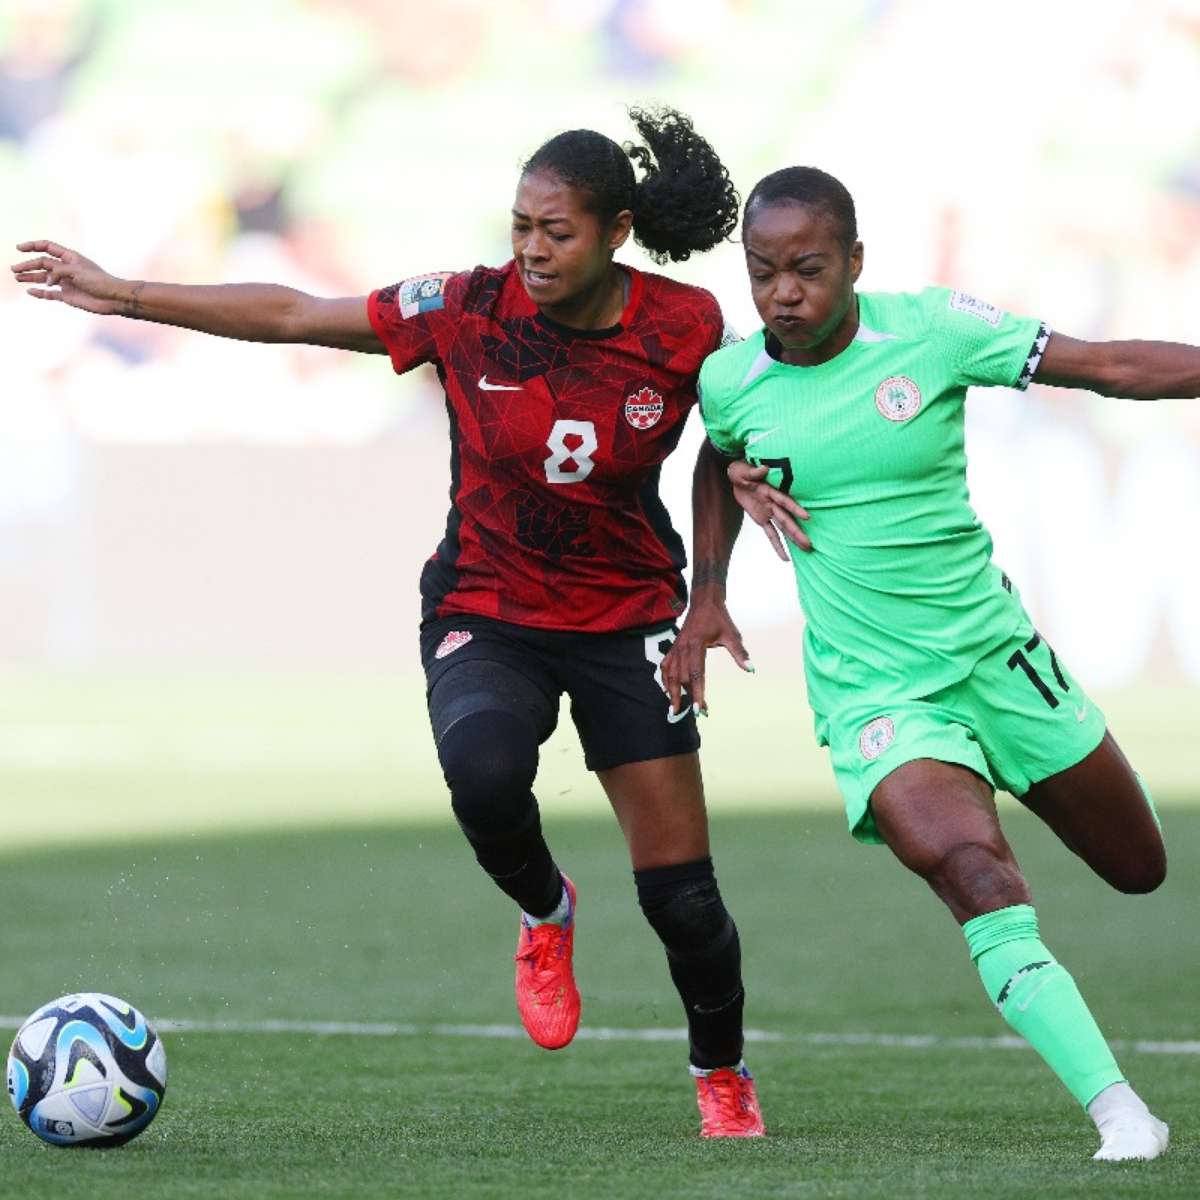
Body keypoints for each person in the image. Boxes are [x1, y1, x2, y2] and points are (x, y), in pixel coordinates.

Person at [11, 109, 767, 1138]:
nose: (534, 252)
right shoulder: (464, 306)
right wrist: (125, 294)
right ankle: (546, 912)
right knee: (485, 774)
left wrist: (709, 595)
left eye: (559, 232)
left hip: (627, 617)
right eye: (522, 227)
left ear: (617, 232)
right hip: (485, 606)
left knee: (683, 900)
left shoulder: (686, 326)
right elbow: (290, 315)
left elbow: (732, 448)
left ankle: (720, 1076)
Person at [663, 165, 1200, 1162]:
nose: (785, 294)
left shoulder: (935, 330)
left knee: (1139, 866)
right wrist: (708, 591)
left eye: (809, 270)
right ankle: (1120, 1110)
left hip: (1000, 659)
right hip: (878, 698)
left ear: (855, 262)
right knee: (972, 871)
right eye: (764, 272)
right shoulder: (735, 377)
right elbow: (713, 448)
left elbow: (1106, 366)